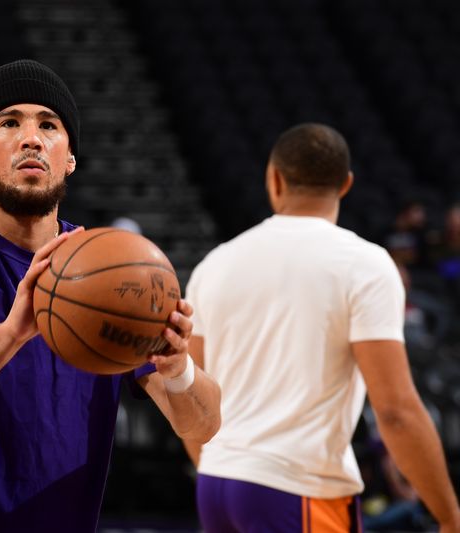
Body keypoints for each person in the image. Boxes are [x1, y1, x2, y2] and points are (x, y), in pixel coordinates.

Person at [0, 59, 221, 532]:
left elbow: (203, 426)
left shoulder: (107, 272)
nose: (31, 137)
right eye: (9, 121)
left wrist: (178, 371)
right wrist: (9, 336)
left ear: (69, 157)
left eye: (48, 125)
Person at [184, 123, 460, 532]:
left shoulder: (214, 265)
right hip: (297, 485)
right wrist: (449, 514)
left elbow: (192, 399)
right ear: (346, 185)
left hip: (217, 484)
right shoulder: (365, 264)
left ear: (273, 178)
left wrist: (223, 465)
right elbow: (396, 411)